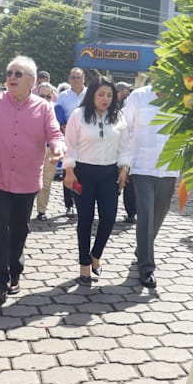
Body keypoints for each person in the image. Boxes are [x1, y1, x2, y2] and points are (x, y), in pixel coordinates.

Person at [0, 55, 64, 307]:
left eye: (18, 74)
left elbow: (55, 133)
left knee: (19, 229)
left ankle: (15, 270)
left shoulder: (44, 108)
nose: (11, 77)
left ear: (31, 81)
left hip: (26, 181)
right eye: (10, 73)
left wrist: (57, 148)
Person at [63, 76, 130, 284]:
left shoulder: (117, 117)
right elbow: (70, 144)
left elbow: (124, 146)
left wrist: (124, 168)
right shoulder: (79, 115)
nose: (105, 99)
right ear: (92, 95)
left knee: (109, 217)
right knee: (85, 219)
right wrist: (69, 170)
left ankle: (96, 255)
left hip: (109, 174)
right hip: (83, 173)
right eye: (101, 94)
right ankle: (84, 263)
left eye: (109, 95)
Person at [123, 79, 179, 288]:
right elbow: (126, 129)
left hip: (170, 166)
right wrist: (124, 163)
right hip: (142, 165)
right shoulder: (138, 96)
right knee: (145, 213)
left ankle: (142, 246)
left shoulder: (180, 98)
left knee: (159, 213)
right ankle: (146, 267)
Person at [55, 67, 87, 218]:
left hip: (87, 139)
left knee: (84, 171)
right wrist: (62, 124)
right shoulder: (63, 96)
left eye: (78, 77)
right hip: (68, 137)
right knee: (69, 170)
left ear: (84, 79)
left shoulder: (91, 94)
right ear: (69, 79)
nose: (75, 80)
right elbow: (56, 113)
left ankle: (84, 203)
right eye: (73, 77)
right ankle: (69, 205)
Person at [34, 82, 66, 221]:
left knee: (46, 182)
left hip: (49, 149)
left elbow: (63, 129)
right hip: (31, 149)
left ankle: (42, 210)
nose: (45, 99)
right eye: (42, 96)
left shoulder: (57, 109)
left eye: (48, 96)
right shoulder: (29, 108)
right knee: (29, 181)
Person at [115, 82, 136, 224]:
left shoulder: (124, 104)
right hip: (116, 151)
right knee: (115, 184)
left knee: (129, 185)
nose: (128, 92)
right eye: (126, 90)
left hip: (129, 151)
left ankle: (130, 213)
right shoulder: (116, 106)